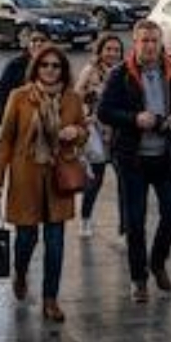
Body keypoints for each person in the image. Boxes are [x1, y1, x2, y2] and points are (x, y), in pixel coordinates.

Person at [98, 19, 171, 303]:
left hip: (166, 157)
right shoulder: (120, 74)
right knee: (135, 221)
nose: (150, 46)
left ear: (160, 42)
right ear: (135, 43)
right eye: (144, 41)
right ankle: (138, 278)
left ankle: (158, 261)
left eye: (154, 40)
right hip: (133, 159)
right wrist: (134, 119)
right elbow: (105, 111)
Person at [0, 44, 87, 323]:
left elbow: (84, 130)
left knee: (55, 243)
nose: (50, 70)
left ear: (63, 70)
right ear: (36, 68)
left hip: (58, 179)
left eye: (55, 66)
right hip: (26, 178)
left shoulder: (72, 99)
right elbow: (5, 141)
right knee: (26, 239)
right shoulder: (19, 97)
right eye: (45, 65)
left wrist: (76, 132)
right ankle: (20, 272)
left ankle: (50, 299)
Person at [74, 33, 125, 238]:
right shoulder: (91, 71)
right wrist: (86, 116)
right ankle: (85, 219)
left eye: (116, 50)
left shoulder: (124, 72)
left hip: (119, 131)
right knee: (96, 179)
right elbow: (76, 96)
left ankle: (125, 225)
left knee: (125, 180)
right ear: (101, 50)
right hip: (96, 129)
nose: (112, 53)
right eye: (109, 49)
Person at [0, 28, 52, 126]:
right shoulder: (15, 66)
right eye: (34, 40)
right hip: (20, 123)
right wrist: (6, 124)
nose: (38, 44)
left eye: (42, 40)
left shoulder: (56, 65)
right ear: (28, 43)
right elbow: (1, 97)